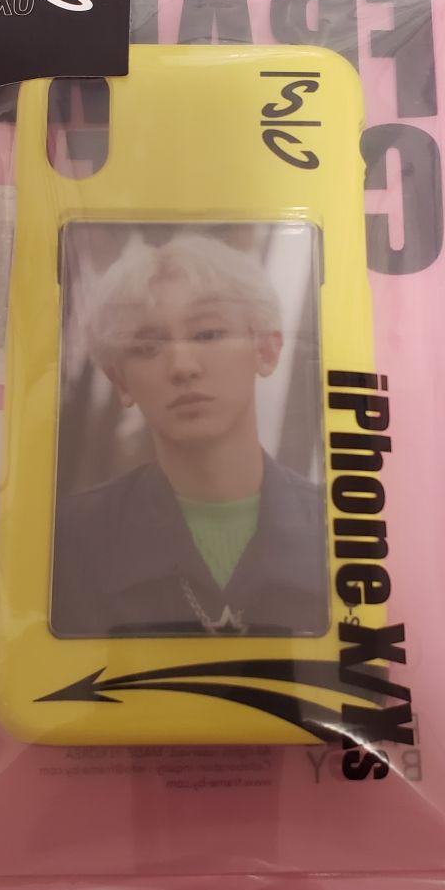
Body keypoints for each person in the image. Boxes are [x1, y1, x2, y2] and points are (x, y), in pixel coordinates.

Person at [50, 231, 329, 637]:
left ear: (266, 350)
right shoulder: (68, 542)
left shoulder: (338, 527)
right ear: (120, 380)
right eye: (147, 347)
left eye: (208, 333)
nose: (182, 366)